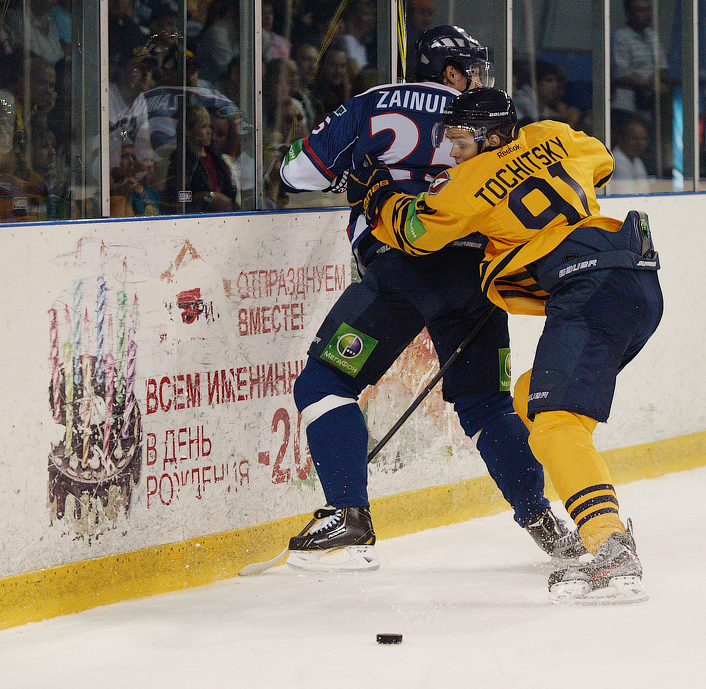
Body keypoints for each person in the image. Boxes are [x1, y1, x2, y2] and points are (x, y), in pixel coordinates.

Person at [278, 26, 585, 572]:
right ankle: (543, 521)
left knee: (324, 382)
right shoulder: (489, 119)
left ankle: (347, 515)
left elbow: (296, 174)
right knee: (486, 403)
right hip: (480, 274)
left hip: (405, 267)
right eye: (473, 70)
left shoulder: (374, 102)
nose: (479, 80)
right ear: (450, 72)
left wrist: (353, 173)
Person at [351, 87, 663, 603]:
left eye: (461, 141)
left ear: (492, 139)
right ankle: (593, 509)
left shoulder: (465, 184)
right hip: (636, 281)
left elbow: (412, 232)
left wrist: (376, 193)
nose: (453, 152)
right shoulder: (554, 134)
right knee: (531, 398)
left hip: (588, 285)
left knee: (555, 419)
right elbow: (602, 163)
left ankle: (610, 548)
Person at [164, 103, 238, 213]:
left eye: (209, 126)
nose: (209, 131)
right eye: (203, 127)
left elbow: (231, 191)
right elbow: (177, 198)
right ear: (188, 131)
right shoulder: (182, 161)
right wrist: (206, 198)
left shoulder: (216, 157)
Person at [611, 110, 650, 193]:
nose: (640, 143)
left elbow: (645, 191)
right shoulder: (615, 161)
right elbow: (627, 194)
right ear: (622, 138)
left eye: (643, 139)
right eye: (635, 138)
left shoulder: (637, 161)